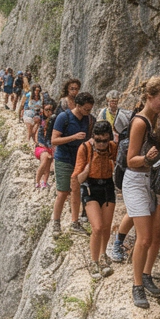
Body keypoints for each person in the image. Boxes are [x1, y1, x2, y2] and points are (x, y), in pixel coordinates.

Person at [123, 77, 160, 309]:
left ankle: (146, 274)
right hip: (136, 180)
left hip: (152, 181)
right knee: (143, 238)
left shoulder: (157, 120)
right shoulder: (141, 122)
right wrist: (148, 158)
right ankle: (137, 285)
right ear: (149, 97)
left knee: (154, 236)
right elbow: (131, 160)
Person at [73, 120, 118, 278]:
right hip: (90, 187)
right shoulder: (85, 149)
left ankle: (103, 255)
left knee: (106, 227)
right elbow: (78, 178)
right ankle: (94, 261)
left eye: (105, 140)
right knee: (97, 227)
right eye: (98, 140)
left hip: (107, 187)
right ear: (93, 138)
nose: (101, 144)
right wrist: (88, 168)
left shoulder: (112, 148)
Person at [50, 92, 95, 236]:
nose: (88, 112)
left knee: (76, 190)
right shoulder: (64, 117)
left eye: (90, 110)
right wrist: (73, 137)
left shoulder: (88, 120)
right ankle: (56, 222)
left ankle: (75, 222)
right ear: (78, 106)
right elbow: (54, 140)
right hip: (63, 158)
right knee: (63, 192)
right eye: (86, 109)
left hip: (79, 159)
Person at [33, 101, 56, 189]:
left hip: (50, 146)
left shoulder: (54, 121)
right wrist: (37, 143)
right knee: (45, 159)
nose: (49, 112)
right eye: (47, 110)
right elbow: (36, 134)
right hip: (41, 147)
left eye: (51, 110)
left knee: (48, 165)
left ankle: (44, 182)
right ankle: (37, 181)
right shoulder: (41, 120)